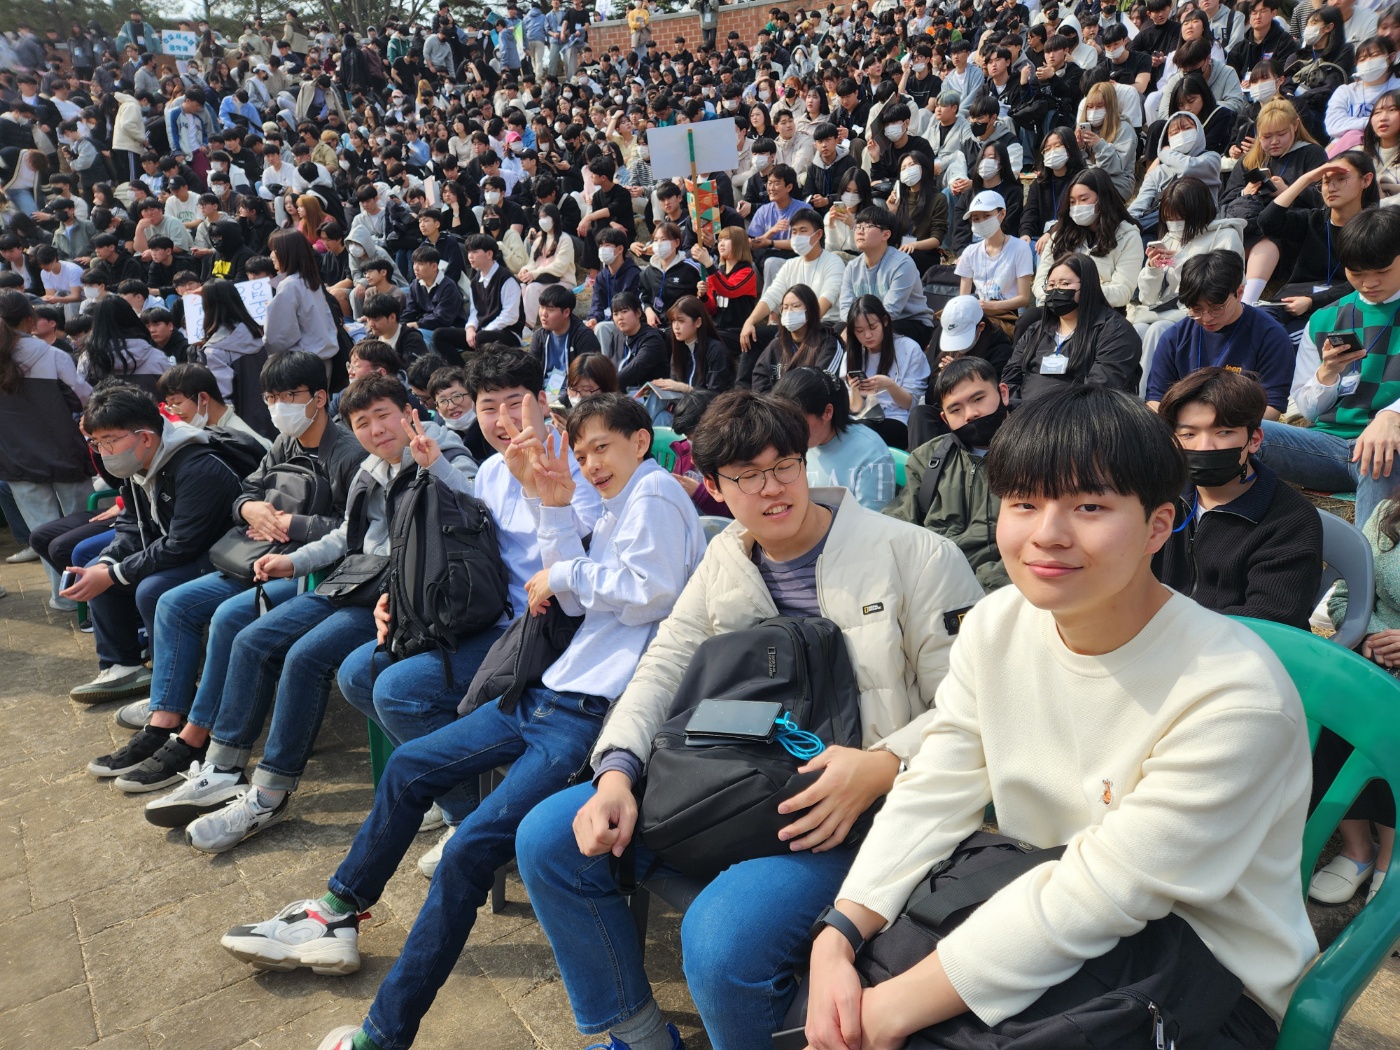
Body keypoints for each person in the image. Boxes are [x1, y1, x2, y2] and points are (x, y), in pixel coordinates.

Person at [802, 384, 1315, 1050]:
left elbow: (1102, 890)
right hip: (1040, 901)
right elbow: (935, 787)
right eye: (1024, 503)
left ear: (1158, 526)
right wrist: (839, 933)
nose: (1047, 534)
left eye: (1089, 506)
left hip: (1203, 979)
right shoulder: (996, 624)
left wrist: (889, 1011)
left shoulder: (1233, 696)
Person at [224, 386, 703, 1050]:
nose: (592, 463)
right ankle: (339, 907)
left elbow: (649, 592)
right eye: (585, 449)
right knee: (409, 766)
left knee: (466, 855)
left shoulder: (653, 494)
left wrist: (563, 570)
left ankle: (384, 1033)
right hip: (545, 692)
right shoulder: (609, 496)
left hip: (591, 714)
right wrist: (552, 506)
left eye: (603, 448)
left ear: (641, 442)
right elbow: (570, 586)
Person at [515, 385, 984, 1050]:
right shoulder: (727, 559)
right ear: (711, 486)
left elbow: (973, 704)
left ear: (804, 461)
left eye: (784, 466)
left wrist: (883, 765)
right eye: (746, 475)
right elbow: (663, 666)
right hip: (740, 779)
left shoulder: (917, 556)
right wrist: (616, 771)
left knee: (720, 937)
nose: (772, 489)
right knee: (547, 837)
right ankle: (635, 1034)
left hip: (856, 814)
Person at [141, 373, 477, 840]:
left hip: (404, 597)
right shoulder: (370, 467)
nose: (376, 430)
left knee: (304, 658)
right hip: (357, 581)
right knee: (251, 638)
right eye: (362, 423)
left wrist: (433, 465)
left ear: (410, 412)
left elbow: (479, 509)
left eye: (384, 416)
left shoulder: (442, 451)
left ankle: (268, 794)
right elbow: (346, 534)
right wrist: (293, 562)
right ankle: (221, 768)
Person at [88, 352, 362, 785]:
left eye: (290, 395)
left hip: (313, 571)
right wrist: (251, 508)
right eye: (271, 397)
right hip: (256, 557)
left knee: (230, 616)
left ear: (320, 397)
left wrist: (292, 524)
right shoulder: (286, 442)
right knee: (174, 603)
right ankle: (163, 721)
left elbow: (359, 529)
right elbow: (246, 489)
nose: (279, 406)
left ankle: (196, 737)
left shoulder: (347, 452)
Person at [62, 381, 251, 705]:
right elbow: (131, 526)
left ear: (146, 437)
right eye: (97, 442)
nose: (104, 452)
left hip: (225, 556)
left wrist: (115, 573)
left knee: (151, 589)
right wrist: (108, 564)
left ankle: (176, 692)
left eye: (110, 441)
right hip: (187, 551)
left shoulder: (197, 465)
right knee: (96, 568)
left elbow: (184, 544)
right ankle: (123, 666)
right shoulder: (139, 462)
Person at [1257, 204, 1400, 531]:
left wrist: (1392, 415)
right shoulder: (1324, 319)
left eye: (1381, 271)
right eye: (1356, 272)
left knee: (1381, 457)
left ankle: (1369, 561)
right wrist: (1327, 374)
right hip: (1328, 447)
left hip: (1389, 447)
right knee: (1239, 434)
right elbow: (1308, 410)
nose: (1369, 283)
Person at [1154, 367, 1322, 630]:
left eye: (1223, 432)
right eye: (1188, 434)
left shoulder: (1291, 519)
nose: (1204, 447)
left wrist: (1171, 627)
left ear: (1254, 439)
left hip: (1243, 647)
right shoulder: (1160, 498)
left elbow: (1270, 618)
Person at [884, 355, 1012, 589]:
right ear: (944, 418)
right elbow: (896, 526)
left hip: (1000, 591)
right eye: (955, 409)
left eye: (978, 399)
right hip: (931, 586)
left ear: (1003, 393)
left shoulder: (1039, 454)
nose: (970, 414)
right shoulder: (926, 460)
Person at [1144, 251, 1295, 415]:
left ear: (1239, 293)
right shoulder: (1174, 338)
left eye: (1217, 308)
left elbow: (1272, 406)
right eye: (1196, 310)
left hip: (1241, 425)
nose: (1206, 318)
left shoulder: (1270, 336)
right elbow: (1155, 399)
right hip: (1183, 426)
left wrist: (1223, 427)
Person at [1006, 254, 1143, 401]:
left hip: (1081, 412)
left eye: (1064, 284)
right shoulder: (1035, 330)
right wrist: (1015, 409)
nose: (1056, 290)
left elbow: (1100, 389)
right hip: (1024, 412)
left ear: (1087, 286)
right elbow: (1010, 378)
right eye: (1051, 285)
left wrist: (1046, 411)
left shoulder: (1116, 331)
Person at [774, 365, 897, 511]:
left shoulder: (871, 454)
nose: (789, 430)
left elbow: (872, 521)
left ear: (827, 412)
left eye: (797, 421)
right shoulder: (789, 445)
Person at [1030, 168, 1145, 311]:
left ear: (1102, 198)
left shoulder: (1128, 236)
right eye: (1072, 202)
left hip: (1101, 312)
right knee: (1028, 319)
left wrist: (1079, 294)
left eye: (1084, 199)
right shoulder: (1060, 235)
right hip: (1058, 309)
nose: (1077, 207)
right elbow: (1040, 281)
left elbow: (1123, 291)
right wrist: (1057, 297)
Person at [838, 296, 931, 450]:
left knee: (862, 431)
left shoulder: (909, 349)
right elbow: (854, 408)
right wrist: (855, 390)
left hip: (897, 419)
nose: (867, 335)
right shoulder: (852, 355)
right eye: (859, 331)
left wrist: (888, 384)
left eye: (873, 327)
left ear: (885, 321)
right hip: (861, 418)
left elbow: (910, 404)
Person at [838, 207, 935, 347]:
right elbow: (845, 307)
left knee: (884, 333)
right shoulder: (852, 267)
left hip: (910, 322)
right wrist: (856, 326)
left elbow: (891, 310)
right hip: (869, 322)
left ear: (886, 235)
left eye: (868, 226)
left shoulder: (902, 263)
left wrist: (860, 328)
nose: (860, 231)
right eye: (858, 226)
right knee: (836, 332)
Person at [955, 190, 1036, 334]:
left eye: (987, 216)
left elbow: (1023, 298)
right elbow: (963, 297)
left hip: (1005, 316)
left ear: (1002, 214)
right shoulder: (970, 251)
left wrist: (990, 306)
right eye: (976, 218)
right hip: (978, 314)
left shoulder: (1020, 248)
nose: (981, 222)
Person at [264, 228, 338, 367]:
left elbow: (281, 336)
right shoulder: (309, 279)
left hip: (303, 361)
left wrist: (271, 312)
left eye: (275, 250)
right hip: (321, 355)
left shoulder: (290, 285)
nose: (272, 255)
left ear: (287, 253)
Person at [752, 283, 842, 394]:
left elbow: (823, 382)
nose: (789, 312)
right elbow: (760, 378)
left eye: (795, 306)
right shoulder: (776, 344)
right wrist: (770, 402)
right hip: (775, 404)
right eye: (785, 307)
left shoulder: (828, 343)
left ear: (810, 310)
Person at [156, 363, 270, 449]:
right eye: (169, 405)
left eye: (177, 403)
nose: (173, 412)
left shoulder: (242, 440)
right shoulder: (202, 432)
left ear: (203, 398)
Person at [529, 282, 603, 386]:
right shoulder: (539, 336)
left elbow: (589, 376)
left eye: (550, 310)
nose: (543, 314)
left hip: (574, 391)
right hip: (543, 391)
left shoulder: (584, 337)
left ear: (566, 312)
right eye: (541, 307)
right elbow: (531, 370)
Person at [361, 293, 430, 364]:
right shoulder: (370, 339)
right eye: (368, 319)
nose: (371, 324)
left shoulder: (412, 339)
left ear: (392, 317)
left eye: (376, 319)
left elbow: (413, 368)